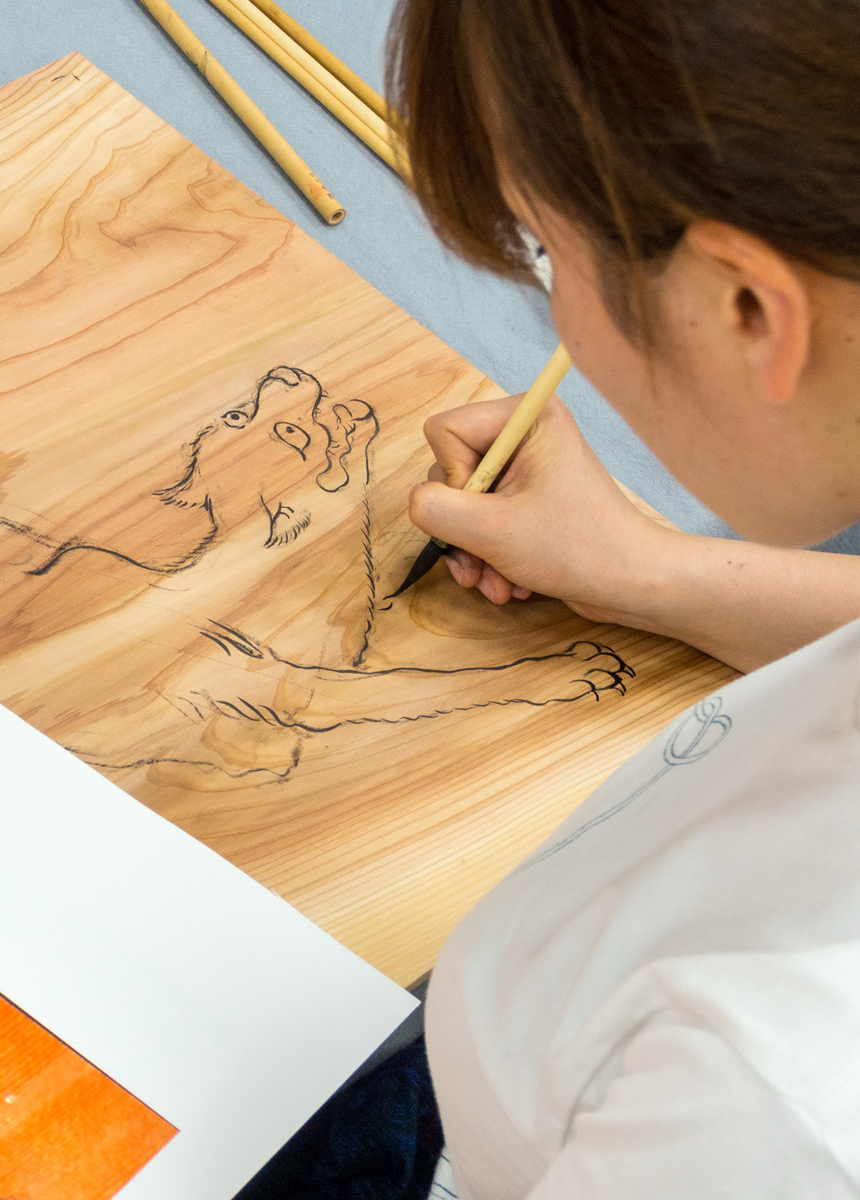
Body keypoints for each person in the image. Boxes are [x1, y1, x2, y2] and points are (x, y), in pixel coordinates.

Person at [246, 3, 860, 1198]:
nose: (552, 306)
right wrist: (652, 570)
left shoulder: (766, 1108)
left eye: (541, 250)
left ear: (748, 308)